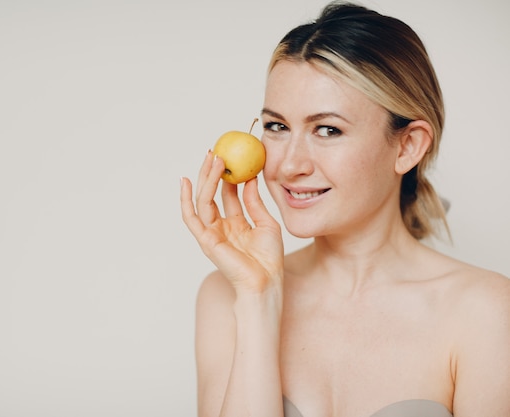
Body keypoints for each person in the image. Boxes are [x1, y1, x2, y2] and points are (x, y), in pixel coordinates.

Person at [179, 2, 510, 417]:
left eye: (328, 129)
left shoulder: (486, 311)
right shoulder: (226, 295)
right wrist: (257, 299)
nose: (288, 165)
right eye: (277, 127)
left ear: (407, 145)